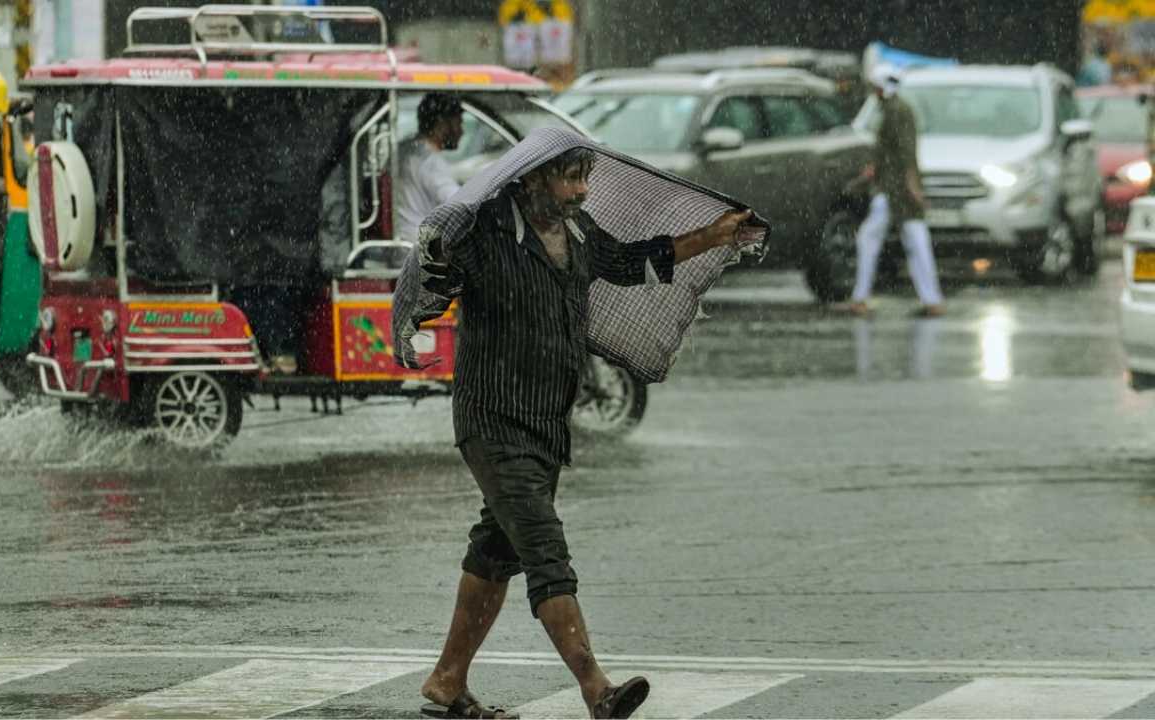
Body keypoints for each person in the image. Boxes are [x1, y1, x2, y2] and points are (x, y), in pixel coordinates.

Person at [394, 137, 761, 720]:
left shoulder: (579, 233)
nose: (581, 190)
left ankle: (446, 680)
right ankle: (598, 690)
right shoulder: (485, 233)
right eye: (570, 178)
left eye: (584, 178)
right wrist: (417, 305)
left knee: (496, 551)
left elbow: (634, 262)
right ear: (533, 179)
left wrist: (713, 236)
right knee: (546, 553)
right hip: (494, 421)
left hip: (546, 423)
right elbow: (434, 271)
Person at [846, 65, 944, 318]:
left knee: (876, 239)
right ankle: (931, 299)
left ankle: (861, 297)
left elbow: (905, 153)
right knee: (914, 241)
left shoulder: (897, 111)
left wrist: (912, 187)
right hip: (895, 189)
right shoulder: (895, 109)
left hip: (895, 190)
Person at [396, 93, 464, 246]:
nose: (461, 131)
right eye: (458, 123)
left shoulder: (404, 149)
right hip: (418, 246)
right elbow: (459, 203)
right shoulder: (429, 160)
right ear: (441, 123)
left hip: (401, 240)